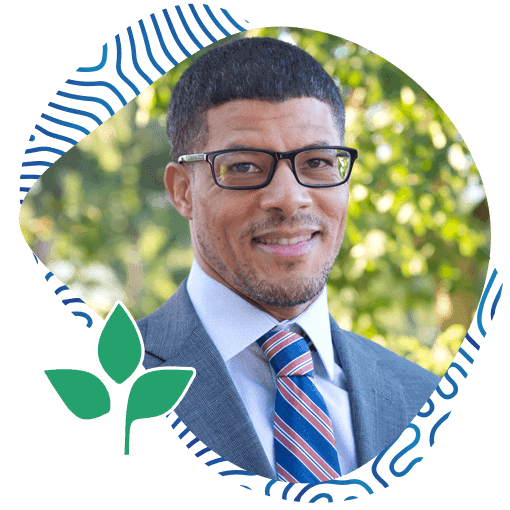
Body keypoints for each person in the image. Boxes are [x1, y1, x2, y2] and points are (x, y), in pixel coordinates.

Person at [137, 36, 440, 482]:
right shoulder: (107, 392)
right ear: (182, 190)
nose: (289, 198)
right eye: (243, 166)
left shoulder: (426, 401)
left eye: (317, 161)